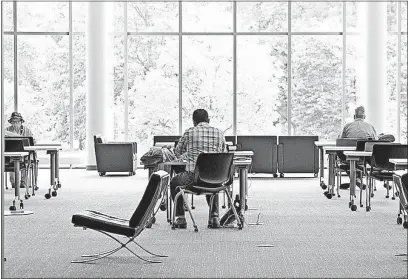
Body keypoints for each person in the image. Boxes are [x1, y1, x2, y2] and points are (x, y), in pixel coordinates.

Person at [170, 109, 226, 229]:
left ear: (194, 121)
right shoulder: (219, 133)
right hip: (216, 178)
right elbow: (222, 154)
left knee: (174, 182)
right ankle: (214, 216)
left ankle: (180, 218)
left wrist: (188, 153)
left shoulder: (189, 132)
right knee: (212, 179)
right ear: (208, 120)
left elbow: (178, 152)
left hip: (193, 178)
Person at [340, 106, 377, 189]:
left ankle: (356, 179)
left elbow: (341, 141)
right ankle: (357, 179)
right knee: (358, 162)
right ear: (364, 117)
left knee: (348, 161)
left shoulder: (347, 126)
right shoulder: (370, 127)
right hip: (365, 157)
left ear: (354, 116)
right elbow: (375, 141)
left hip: (349, 155)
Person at [5, 112, 35, 188]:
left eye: (17, 121)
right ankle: (13, 183)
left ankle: (23, 182)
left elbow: (32, 143)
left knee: (26, 160)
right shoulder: (7, 130)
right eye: (13, 122)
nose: (15, 123)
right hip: (10, 154)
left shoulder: (27, 130)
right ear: (11, 122)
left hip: (25, 153)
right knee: (10, 160)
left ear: (21, 122)